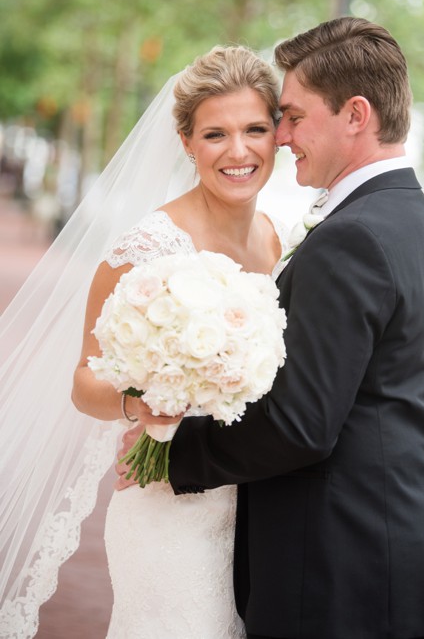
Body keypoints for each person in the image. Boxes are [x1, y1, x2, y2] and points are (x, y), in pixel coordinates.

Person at [144, 17, 424, 639]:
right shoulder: (415, 219)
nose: (283, 134)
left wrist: (173, 453)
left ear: (355, 114)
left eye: (292, 116)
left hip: (342, 577)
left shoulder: (353, 237)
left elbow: (302, 428)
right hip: (399, 556)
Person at [0, 46, 283, 637]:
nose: (239, 151)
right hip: (168, 509)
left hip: (261, 508)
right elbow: (84, 381)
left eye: (256, 128)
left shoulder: (274, 238)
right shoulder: (148, 246)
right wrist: (144, 403)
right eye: (215, 134)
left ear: (278, 134)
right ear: (186, 142)